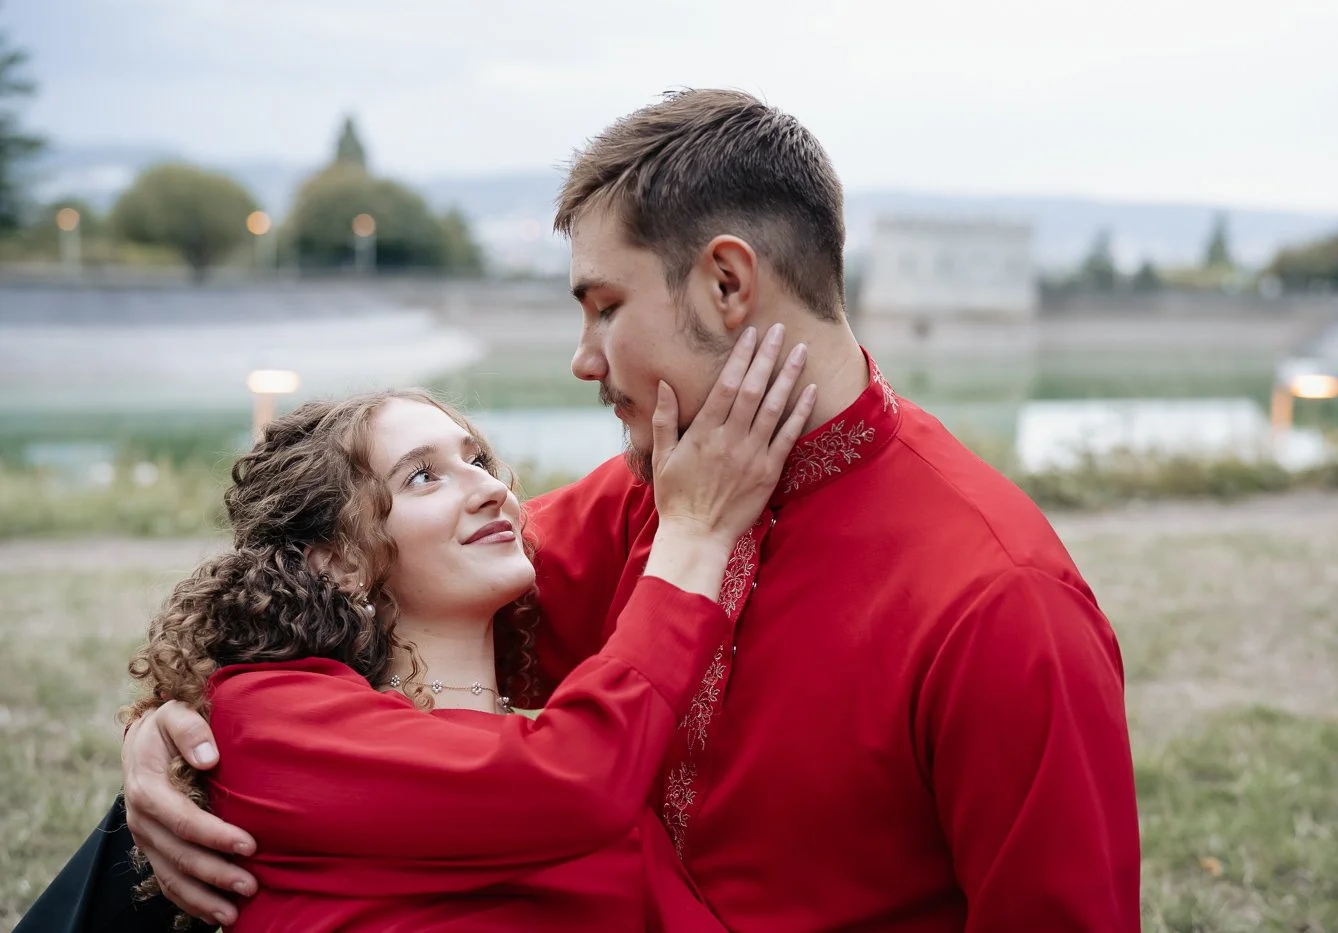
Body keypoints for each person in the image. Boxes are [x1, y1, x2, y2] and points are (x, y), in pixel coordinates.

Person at [120, 89, 1141, 932]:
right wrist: (182, 732)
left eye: (604, 307)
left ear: (727, 284)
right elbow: (367, 589)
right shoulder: (648, 498)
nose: (583, 360)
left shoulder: (998, 601)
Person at [18, 331, 816, 933]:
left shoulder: (581, 774)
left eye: (480, 460)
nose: (489, 491)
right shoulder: (262, 719)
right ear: (334, 561)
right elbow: (569, 780)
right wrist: (696, 535)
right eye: (424, 475)